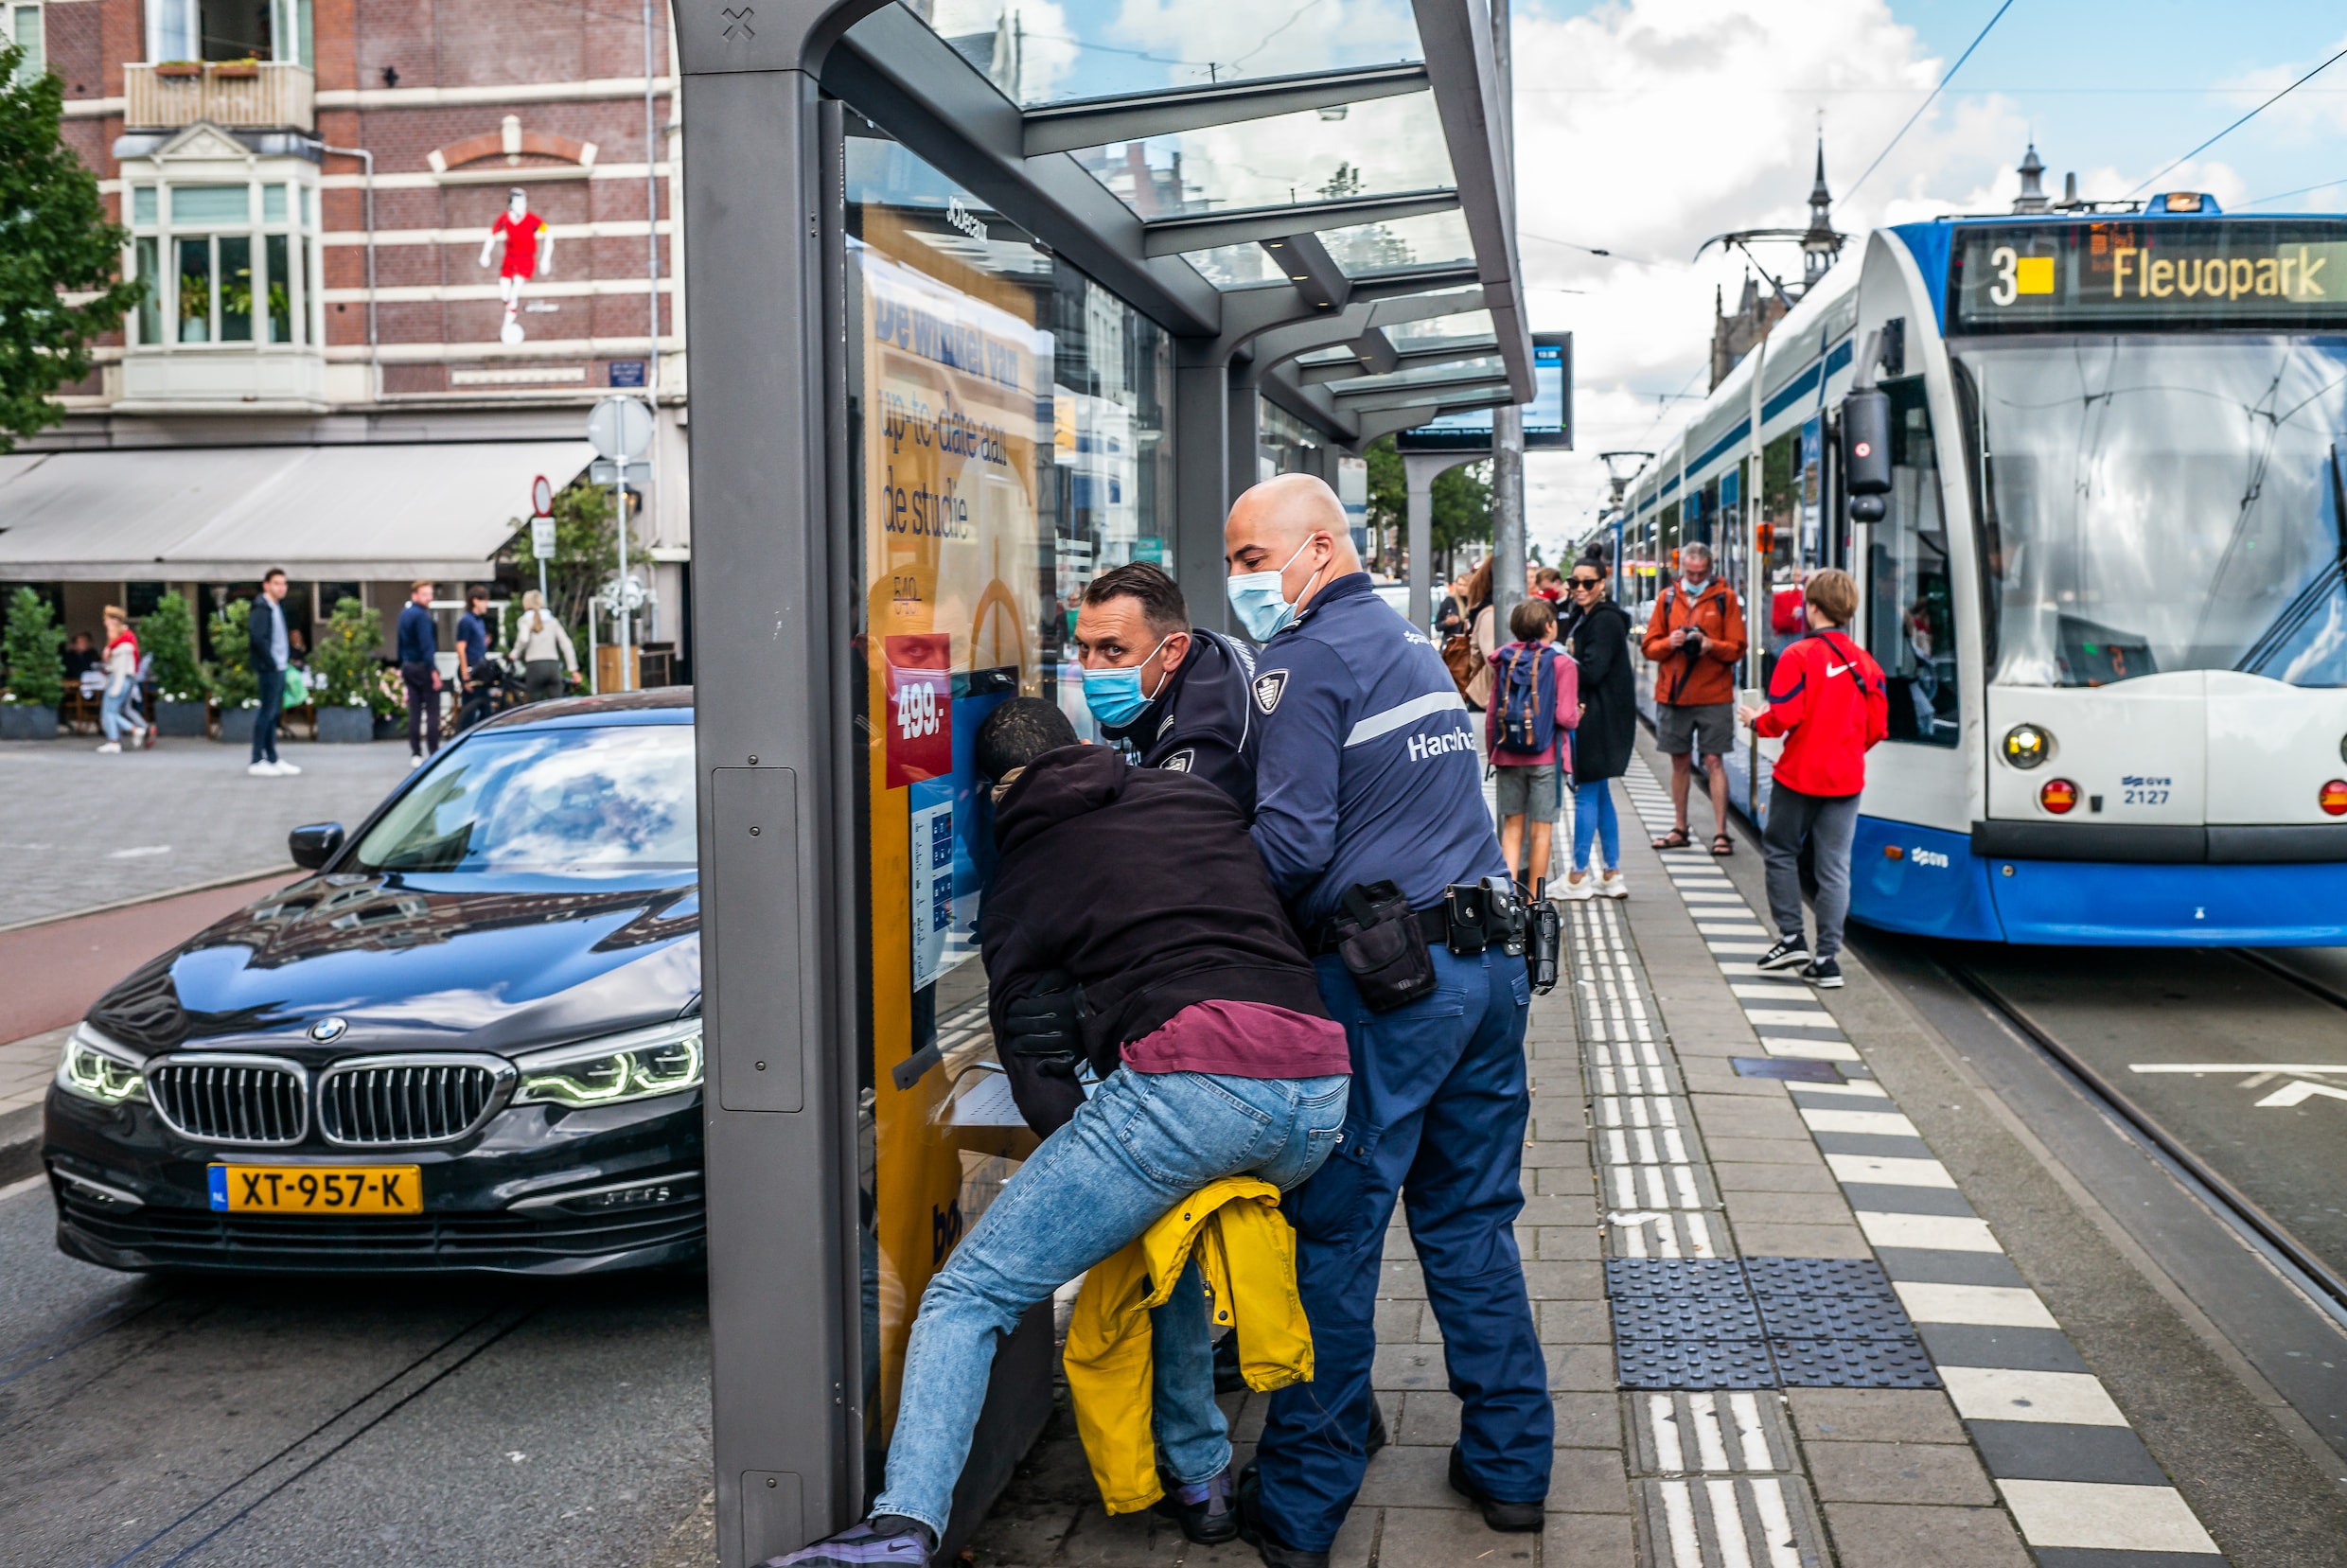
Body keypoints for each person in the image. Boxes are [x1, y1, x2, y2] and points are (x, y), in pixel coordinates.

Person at [774, 697, 1350, 1568]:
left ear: (993, 796)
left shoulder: (1023, 878)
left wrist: (1094, 1147)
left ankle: (903, 1526)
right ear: (1083, 747)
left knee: (969, 1294)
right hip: (1320, 1088)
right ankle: (1202, 1480)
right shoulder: (1189, 799)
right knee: (1172, 1243)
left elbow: (1043, 1089)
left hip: (1198, 1086)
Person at [1225, 475, 1550, 1566]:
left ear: (1317, 549)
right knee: (1468, 1223)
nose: (1239, 581)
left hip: (1387, 986)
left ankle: (1304, 1498)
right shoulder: (1407, 641)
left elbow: (1290, 847)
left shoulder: (1300, 658)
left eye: (1248, 557)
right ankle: (1510, 1467)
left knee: (1338, 1228)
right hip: (1489, 972)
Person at [1740, 569, 1887, 989]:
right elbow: (1878, 727)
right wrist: (1846, 752)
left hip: (1800, 774)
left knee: (1781, 850)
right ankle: (1827, 959)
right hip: (1846, 779)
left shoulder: (1799, 655)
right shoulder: (1867, 663)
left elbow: (1784, 716)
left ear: (1813, 608)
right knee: (1835, 868)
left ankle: (1791, 938)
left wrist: (1755, 721)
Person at [1073, 561, 1259, 812]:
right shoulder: (1208, 649)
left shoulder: (1204, 743)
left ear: (1172, 651)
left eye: (1114, 649)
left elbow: (1156, 839)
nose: (1091, 667)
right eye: (1084, 647)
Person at [1640, 541, 1745, 855]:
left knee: (1714, 760)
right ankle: (1679, 827)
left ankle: (1721, 833)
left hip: (1714, 694)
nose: (1695, 578)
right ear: (1682, 568)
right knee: (1679, 761)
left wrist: (1711, 645)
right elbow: (1649, 646)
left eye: (1701, 574)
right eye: (1690, 573)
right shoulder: (1668, 598)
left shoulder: (1726, 599)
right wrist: (1669, 643)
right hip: (1674, 695)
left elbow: (1738, 648)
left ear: (1710, 570)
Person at [1484, 598, 1577, 888]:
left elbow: (1491, 714)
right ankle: (1535, 904)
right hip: (1547, 758)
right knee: (1541, 832)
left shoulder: (1503, 660)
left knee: (1511, 829)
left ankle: (1507, 907)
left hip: (1508, 754)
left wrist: (1494, 753)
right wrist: (1578, 714)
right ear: (1549, 626)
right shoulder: (1562, 663)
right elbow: (1565, 716)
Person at [1563, 564, 1634, 900]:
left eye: (1587, 583)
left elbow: (1591, 671)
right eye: (1574, 582)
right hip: (1605, 714)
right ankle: (1611, 873)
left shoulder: (1603, 620)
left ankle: (1578, 877)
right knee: (1600, 793)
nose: (1579, 588)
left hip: (1597, 716)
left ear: (1602, 584)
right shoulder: (1590, 616)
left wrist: (1562, 660)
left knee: (1586, 791)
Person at [247, 569, 300, 778]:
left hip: (278, 666)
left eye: (284, 583)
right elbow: (258, 638)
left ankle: (271, 757)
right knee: (266, 713)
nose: (282, 587)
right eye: (277, 583)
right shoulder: (261, 607)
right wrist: (270, 663)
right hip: (270, 667)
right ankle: (256, 759)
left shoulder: (275, 607)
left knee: (272, 714)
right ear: (266, 585)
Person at [397, 580, 443, 767]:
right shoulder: (422, 617)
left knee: (414, 710)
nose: (429, 598)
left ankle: (415, 753)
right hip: (423, 666)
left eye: (430, 594)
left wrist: (402, 664)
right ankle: (433, 751)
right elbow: (427, 646)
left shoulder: (404, 614)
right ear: (414, 595)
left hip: (408, 665)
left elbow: (399, 643)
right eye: (425, 594)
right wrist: (433, 671)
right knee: (432, 711)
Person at [95, 608, 150, 754]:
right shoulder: (125, 641)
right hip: (125, 679)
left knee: (110, 712)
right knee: (115, 711)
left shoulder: (123, 644)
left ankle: (130, 732)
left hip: (119, 681)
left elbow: (120, 671)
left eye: (108, 621)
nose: (106, 627)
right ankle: (117, 738)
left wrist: (115, 687)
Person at [512, 590, 578, 703]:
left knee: (534, 708)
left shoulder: (524, 620)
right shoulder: (553, 621)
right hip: (553, 667)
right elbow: (566, 644)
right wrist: (573, 670)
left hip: (534, 667)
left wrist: (514, 654)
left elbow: (523, 639)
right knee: (557, 706)